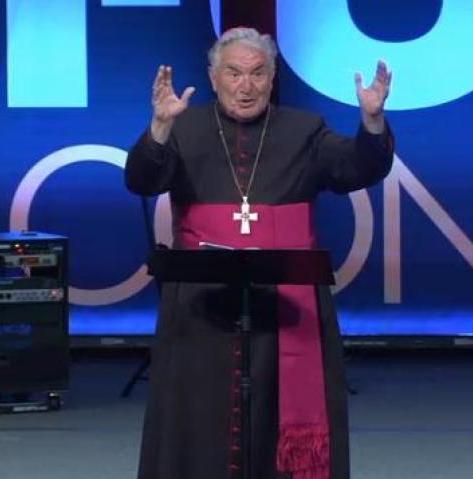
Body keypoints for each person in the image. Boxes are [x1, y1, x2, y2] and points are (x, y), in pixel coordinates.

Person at [125, 27, 394, 479]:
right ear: (213, 77)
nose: (245, 86)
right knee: (198, 420)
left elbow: (358, 168)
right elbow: (141, 182)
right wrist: (159, 127)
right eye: (233, 73)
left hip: (284, 306)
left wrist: (371, 122)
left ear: (272, 79)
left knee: (277, 411)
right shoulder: (185, 125)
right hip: (200, 307)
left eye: (257, 73)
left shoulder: (304, 130)